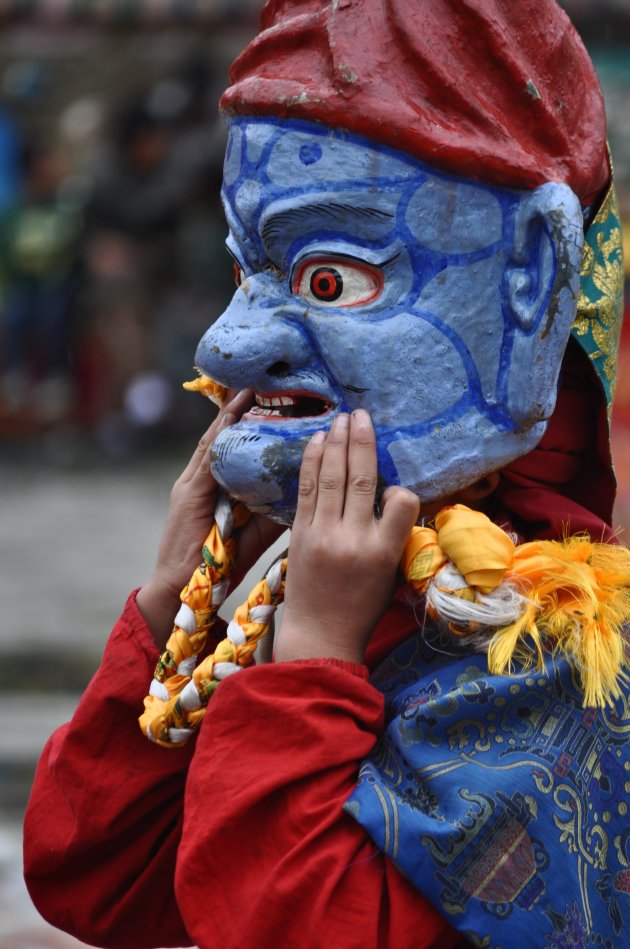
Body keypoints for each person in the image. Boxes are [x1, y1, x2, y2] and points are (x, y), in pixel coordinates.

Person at [24, 2, 628, 947]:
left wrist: (310, 661)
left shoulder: (553, 667)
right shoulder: (341, 589)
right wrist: (172, 604)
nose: (225, 345)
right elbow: (95, 878)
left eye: (331, 279)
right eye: (244, 273)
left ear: (529, 283)